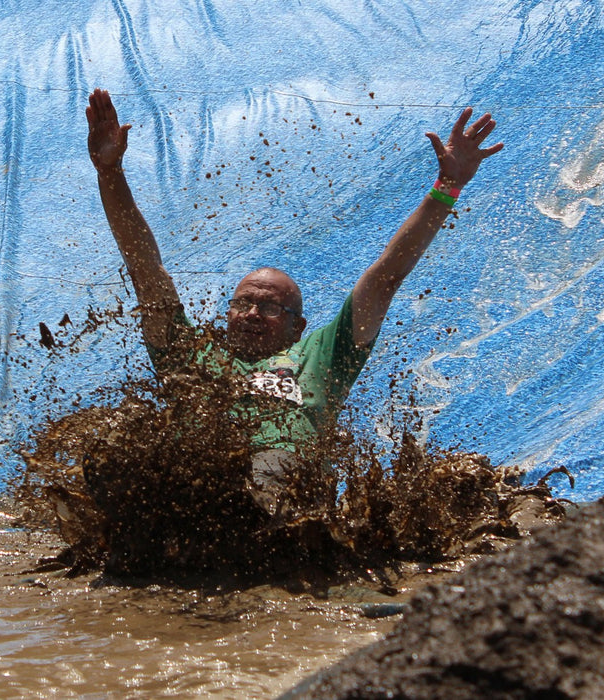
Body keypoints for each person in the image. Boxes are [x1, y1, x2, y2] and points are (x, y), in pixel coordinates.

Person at [85, 88, 502, 514]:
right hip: (195, 489)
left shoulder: (322, 355)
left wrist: (447, 186)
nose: (250, 314)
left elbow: (386, 276)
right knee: (115, 434)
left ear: (297, 326)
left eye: (268, 308)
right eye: (242, 304)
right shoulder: (191, 356)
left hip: (282, 487)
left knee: (272, 465)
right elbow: (145, 269)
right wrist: (110, 173)